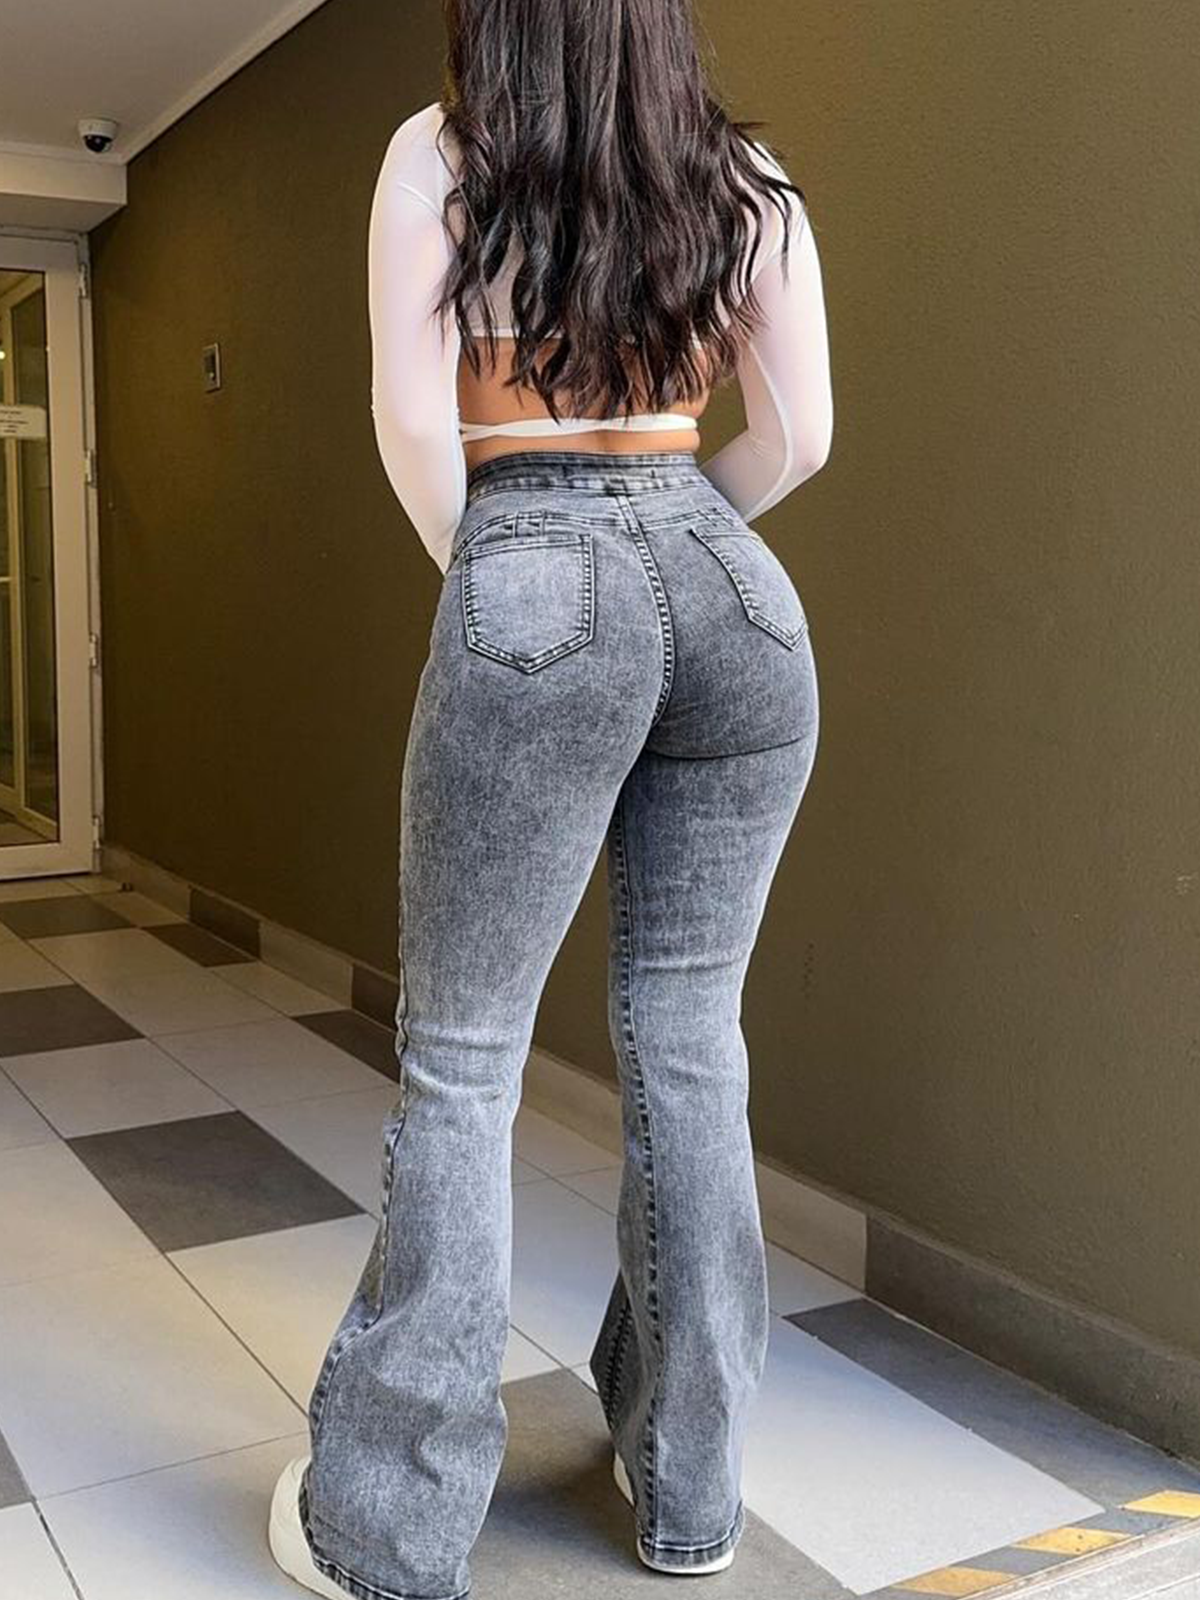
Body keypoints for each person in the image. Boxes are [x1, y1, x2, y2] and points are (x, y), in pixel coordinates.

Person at [268, 3, 832, 1596]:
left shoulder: (439, 155)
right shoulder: (749, 180)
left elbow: (409, 418)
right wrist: (678, 547)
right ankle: (692, 1500)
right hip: (740, 597)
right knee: (692, 1043)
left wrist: (510, 577)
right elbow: (801, 436)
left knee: (462, 1063)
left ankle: (390, 1537)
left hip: (525, 544)